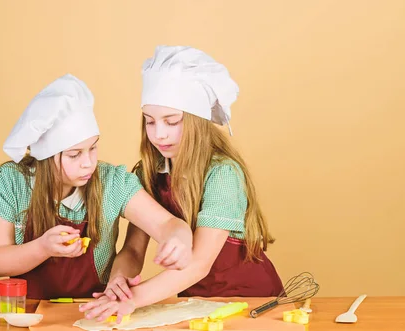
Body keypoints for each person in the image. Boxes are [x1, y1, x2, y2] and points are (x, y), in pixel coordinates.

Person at [80, 46, 283, 322]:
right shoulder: (149, 173)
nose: (159, 134)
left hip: (250, 303)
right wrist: (118, 284)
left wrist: (135, 300)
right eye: (150, 122)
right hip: (195, 303)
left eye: (171, 121)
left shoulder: (223, 174)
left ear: (198, 122)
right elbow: (133, 250)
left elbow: (198, 263)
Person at [0, 73, 192, 300]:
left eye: (93, 148)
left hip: (93, 311)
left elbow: (167, 224)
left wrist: (179, 238)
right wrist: (43, 247)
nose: (88, 163)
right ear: (45, 156)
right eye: (74, 155)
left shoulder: (112, 182)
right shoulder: (11, 181)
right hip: (28, 313)